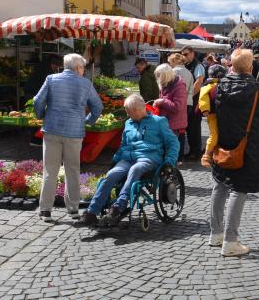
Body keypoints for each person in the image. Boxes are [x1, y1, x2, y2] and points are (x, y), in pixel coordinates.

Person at [78, 94, 179, 227]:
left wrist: (169, 162)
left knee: (135, 169)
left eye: (129, 112)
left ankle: (118, 207)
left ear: (138, 110)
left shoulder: (159, 122)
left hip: (148, 157)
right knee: (111, 175)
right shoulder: (128, 123)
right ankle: (91, 212)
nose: (127, 114)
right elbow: (123, 145)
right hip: (128, 158)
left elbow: (173, 142)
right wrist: (115, 160)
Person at [209, 49, 259, 256]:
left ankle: (216, 234)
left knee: (220, 185)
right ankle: (230, 241)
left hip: (224, 142)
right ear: (250, 67)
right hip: (248, 144)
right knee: (239, 189)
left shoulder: (219, 87)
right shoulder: (256, 89)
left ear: (231, 66)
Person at [34, 53, 103, 222]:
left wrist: (42, 114)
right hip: (74, 132)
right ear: (78, 67)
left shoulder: (51, 79)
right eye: (83, 68)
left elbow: (37, 101)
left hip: (52, 129)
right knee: (73, 170)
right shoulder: (86, 83)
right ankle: (73, 210)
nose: (83, 71)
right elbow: (98, 106)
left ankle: (45, 211)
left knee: (50, 171)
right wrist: (87, 121)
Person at [153, 63, 188, 164]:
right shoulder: (166, 83)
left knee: (172, 147)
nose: (158, 79)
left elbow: (178, 107)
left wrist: (162, 101)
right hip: (166, 121)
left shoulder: (179, 85)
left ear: (165, 76)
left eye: (159, 76)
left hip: (174, 123)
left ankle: (171, 165)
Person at [199, 65, 228, 167]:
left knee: (219, 134)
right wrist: (205, 109)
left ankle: (218, 153)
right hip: (212, 114)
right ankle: (206, 155)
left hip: (219, 114)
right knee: (214, 135)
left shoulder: (222, 85)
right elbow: (203, 98)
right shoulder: (209, 86)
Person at [181, 47, 206, 160]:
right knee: (190, 127)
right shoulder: (187, 65)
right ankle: (193, 150)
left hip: (195, 101)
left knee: (194, 127)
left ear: (192, 54)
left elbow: (199, 81)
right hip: (190, 101)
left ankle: (196, 152)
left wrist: (190, 96)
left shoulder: (198, 65)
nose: (184, 56)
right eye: (182, 54)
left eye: (186, 54)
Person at [168, 53, 193, 162]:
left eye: (170, 62)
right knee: (182, 130)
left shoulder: (174, 72)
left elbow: (170, 90)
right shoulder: (189, 72)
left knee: (173, 129)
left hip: (177, 103)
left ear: (174, 61)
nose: (170, 64)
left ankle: (175, 155)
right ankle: (181, 155)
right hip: (188, 102)